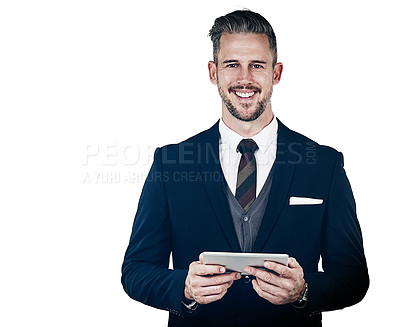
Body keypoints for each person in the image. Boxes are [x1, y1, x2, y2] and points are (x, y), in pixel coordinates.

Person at [121, 9, 369, 327]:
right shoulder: (170, 163)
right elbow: (136, 269)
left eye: (257, 65)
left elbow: (353, 277)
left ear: (276, 73)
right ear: (213, 72)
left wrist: (305, 290)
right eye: (232, 64)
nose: (245, 78)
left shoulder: (324, 164)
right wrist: (183, 287)